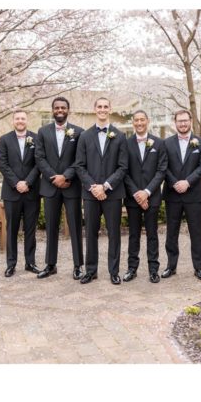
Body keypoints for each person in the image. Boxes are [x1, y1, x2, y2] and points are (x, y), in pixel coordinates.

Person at [73, 97, 128, 285]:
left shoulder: (120, 136)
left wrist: (105, 186)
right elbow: (79, 166)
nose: (103, 109)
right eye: (100, 106)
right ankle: (91, 271)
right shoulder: (84, 136)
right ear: (94, 109)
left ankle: (114, 271)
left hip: (113, 193)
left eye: (106, 106)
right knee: (90, 232)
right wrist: (93, 187)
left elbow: (122, 167)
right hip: (90, 194)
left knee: (114, 233)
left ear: (110, 109)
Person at [34, 97, 84, 279]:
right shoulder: (42, 132)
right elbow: (39, 157)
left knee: (76, 227)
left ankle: (78, 266)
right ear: (52, 110)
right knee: (51, 226)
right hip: (50, 186)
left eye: (63, 107)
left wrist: (66, 176)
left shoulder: (79, 132)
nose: (60, 110)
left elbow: (80, 160)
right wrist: (54, 178)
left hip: (71, 186)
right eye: (57, 108)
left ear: (68, 110)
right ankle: (50, 264)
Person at [162, 110, 201, 281]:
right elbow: (163, 167)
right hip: (172, 195)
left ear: (190, 121)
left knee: (196, 233)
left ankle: (199, 268)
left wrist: (187, 182)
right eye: (179, 121)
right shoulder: (166, 143)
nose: (182, 124)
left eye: (185, 121)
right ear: (175, 123)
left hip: (194, 195)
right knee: (171, 233)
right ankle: (171, 266)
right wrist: (175, 183)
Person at [122, 110, 167, 283]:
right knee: (133, 234)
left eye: (142, 120)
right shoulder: (126, 144)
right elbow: (123, 171)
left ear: (148, 121)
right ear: (133, 123)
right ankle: (132, 269)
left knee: (152, 234)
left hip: (152, 197)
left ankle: (153, 270)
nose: (139, 123)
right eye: (136, 120)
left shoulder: (159, 143)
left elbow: (161, 170)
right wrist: (136, 193)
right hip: (133, 198)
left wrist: (146, 192)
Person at [0, 109, 42, 277]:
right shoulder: (5, 139)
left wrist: (27, 182)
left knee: (30, 229)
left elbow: (39, 163)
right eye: (17, 118)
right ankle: (11, 264)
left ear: (27, 120)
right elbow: (3, 164)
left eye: (23, 118)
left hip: (31, 192)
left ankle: (30, 263)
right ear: (13, 121)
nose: (20, 121)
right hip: (11, 192)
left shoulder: (36, 138)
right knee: (12, 229)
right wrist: (17, 183)